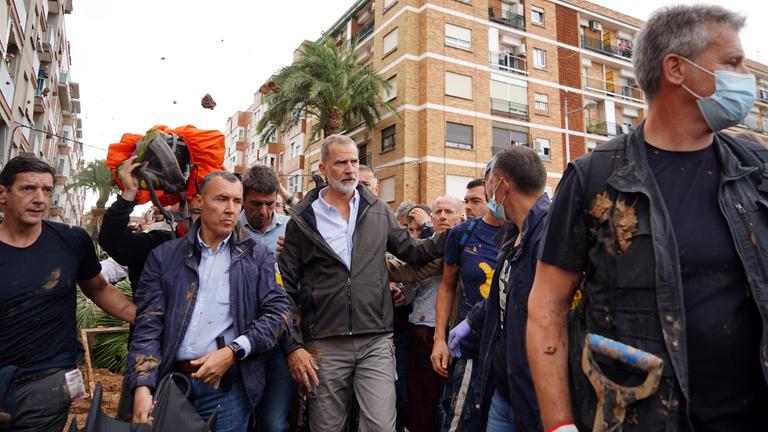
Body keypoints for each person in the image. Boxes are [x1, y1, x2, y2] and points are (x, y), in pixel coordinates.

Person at [527, 5, 768, 431]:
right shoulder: (595, 178)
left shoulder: (758, 170)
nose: (744, 76)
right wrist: (559, 425)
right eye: (732, 63)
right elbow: (547, 306)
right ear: (676, 68)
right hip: (637, 419)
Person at [278, 134, 446, 432]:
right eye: (341, 162)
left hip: (376, 341)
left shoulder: (378, 210)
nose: (350, 169)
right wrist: (293, 347)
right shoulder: (302, 221)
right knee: (327, 427)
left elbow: (414, 252)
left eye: (354, 161)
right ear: (323, 168)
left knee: (381, 426)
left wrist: (455, 236)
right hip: (325, 343)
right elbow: (287, 290)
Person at [128, 171, 290, 432]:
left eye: (237, 201)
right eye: (221, 199)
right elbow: (148, 324)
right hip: (171, 382)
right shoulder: (165, 257)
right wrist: (143, 385)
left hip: (226, 389)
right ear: (199, 202)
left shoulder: (258, 257)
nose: (230, 209)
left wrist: (233, 351)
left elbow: (278, 314)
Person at [0, 156, 136, 431]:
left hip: (49, 382)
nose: (40, 199)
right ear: (3, 194)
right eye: (28, 189)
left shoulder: (71, 240)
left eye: (47, 190)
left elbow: (98, 289)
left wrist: (145, 318)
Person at [447, 147, 548, 432]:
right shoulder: (514, 233)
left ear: (502, 186)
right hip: (505, 388)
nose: (488, 192)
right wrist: (471, 321)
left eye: (488, 183)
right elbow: (503, 293)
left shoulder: (548, 235)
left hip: (534, 392)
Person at [99, 154, 202, 421]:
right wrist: (129, 194)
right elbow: (112, 240)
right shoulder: (156, 243)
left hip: (200, 366)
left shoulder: (227, 251)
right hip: (149, 358)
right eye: (196, 208)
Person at [431, 166, 503, 432]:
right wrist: (440, 338)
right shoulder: (462, 235)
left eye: (476, 200)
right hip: (470, 350)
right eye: (467, 201)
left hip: (510, 354)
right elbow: (447, 286)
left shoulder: (524, 232)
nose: (470, 206)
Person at [238, 164, 293, 432]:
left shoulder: (291, 229)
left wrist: (292, 256)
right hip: (239, 339)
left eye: (270, 204)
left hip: (280, 340)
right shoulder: (229, 228)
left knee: (274, 423)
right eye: (255, 204)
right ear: (243, 198)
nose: (263, 212)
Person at [404, 196, 462, 432]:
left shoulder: (465, 246)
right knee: (420, 402)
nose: (442, 216)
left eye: (449, 211)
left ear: (461, 218)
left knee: (449, 402)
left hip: (455, 332)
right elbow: (408, 294)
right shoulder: (418, 248)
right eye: (437, 211)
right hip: (419, 331)